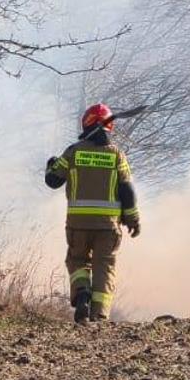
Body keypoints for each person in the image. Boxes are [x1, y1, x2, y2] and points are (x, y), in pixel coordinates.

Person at [44, 103, 140, 323]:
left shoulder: (74, 151)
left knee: (77, 260)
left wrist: (50, 165)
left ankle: (82, 293)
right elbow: (127, 189)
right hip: (108, 226)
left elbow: (52, 181)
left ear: (86, 124)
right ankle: (98, 315)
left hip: (78, 224)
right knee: (104, 266)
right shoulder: (116, 155)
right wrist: (133, 218)